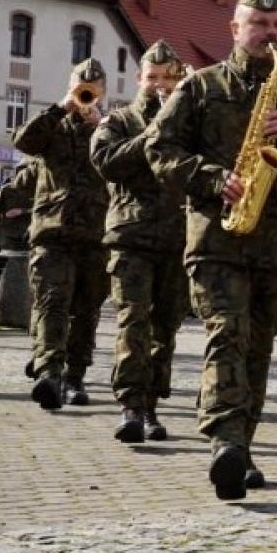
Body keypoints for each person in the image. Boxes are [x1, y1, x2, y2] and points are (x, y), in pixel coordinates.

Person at [147, 0, 277, 501]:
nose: (269, 33)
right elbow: (160, 149)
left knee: (257, 347)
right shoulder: (200, 88)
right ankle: (224, 441)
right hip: (218, 237)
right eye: (259, 24)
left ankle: (242, 445)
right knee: (227, 335)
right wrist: (216, 179)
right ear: (234, 29)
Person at [90, 41, 188, 445]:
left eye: (168, 78)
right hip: (130, 236)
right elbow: (106, 163)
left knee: (166, 326)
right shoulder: (119, 120)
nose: (159, 85)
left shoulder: (189, 126)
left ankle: (151, 405)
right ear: (139, 79)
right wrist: (154, 132)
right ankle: (130, 405)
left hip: (177, 237)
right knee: (133, 319)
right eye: (152, 78)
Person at [15, 59, 111, 411]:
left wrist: (102, 126)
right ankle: (49, 373)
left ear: (103, 90)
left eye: (93, 88)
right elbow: (24, 141)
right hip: (52, 232)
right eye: (81, 86)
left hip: (96, 234)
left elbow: (129, 162)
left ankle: (75, 376)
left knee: (85, 310)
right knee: (52, 302)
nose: (86, 93)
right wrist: (61, 108)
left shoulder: (110, 127)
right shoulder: (52, 125)